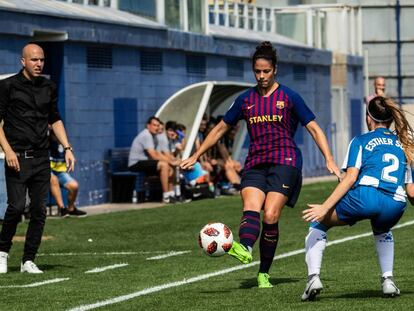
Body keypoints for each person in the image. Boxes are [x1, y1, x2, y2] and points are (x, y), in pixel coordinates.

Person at [181, 41, 340, 288]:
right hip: (256, 162)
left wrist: (329, 159)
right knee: (251, 205)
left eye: (266, 71)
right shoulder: (245, 100)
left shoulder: (289, 97)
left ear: (274, 69)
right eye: (257, 71)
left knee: (270, 214)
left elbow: (314, 128)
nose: (262, 76)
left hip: (285, 161)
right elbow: (221, 128)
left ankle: (263, 272)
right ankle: (244, 247)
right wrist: (195, 153)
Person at [301, 96, 414, 301]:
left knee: (318, 223)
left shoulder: (361, 140)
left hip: (366, 197)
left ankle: (313, 278)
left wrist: (325, 207)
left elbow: (351, 178)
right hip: (396, 204)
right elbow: (412, 192)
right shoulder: (403, 145)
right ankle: (388, 280)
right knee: (382, 229)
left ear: (368, 118)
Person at [0, 43, 75, 273]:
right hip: (17, 157)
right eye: (34, 60)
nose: (39, 63)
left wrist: (67, 147)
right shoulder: (7, 86)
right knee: (16, 206)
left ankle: (28, 260)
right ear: (23, 61)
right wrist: (8, 151)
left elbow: (55, 120)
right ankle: (2, 252)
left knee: (39, 210)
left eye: (41, 59)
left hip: (42, 158)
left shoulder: (48, 87)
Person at [128, 116, 179, 203]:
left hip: (145, 162)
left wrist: (172, 162)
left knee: (170, 166)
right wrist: (170, 161)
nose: (156, 127)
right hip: (135, 163)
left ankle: (171, 194)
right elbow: (154, 155)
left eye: (157, 125)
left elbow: (158, 153)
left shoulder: (153, 136)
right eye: (154, 125)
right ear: (148, 126)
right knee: (164, 165)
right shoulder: (146, 135)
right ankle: (166, 196)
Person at [50, 130, 86, 217]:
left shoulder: (66, 145)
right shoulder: (46, 142)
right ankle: (62, 209)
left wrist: (69, 151)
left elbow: (71, 158)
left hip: (60, 172)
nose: (57, 137)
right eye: (55, 135)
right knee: (53, 179)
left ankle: (70, 209)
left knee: (74, 186)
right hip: (47, 172)